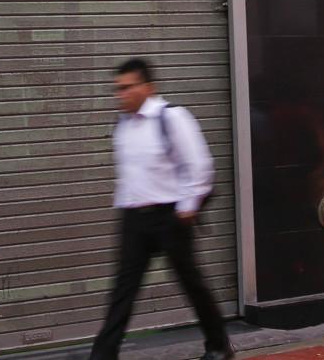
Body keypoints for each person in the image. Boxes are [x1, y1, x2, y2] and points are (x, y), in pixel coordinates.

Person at [89, 60, 231, 360]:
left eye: (127, 87)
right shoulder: (123, 124)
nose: (121, 94)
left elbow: (200, 164)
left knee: (191, 283)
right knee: (123, 290)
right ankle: (103, 355)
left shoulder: (171, 117)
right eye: (118, 89)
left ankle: (219, 347)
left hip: (171, 216)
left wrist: (188, 207)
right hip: (135, 218)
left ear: (148, 87)